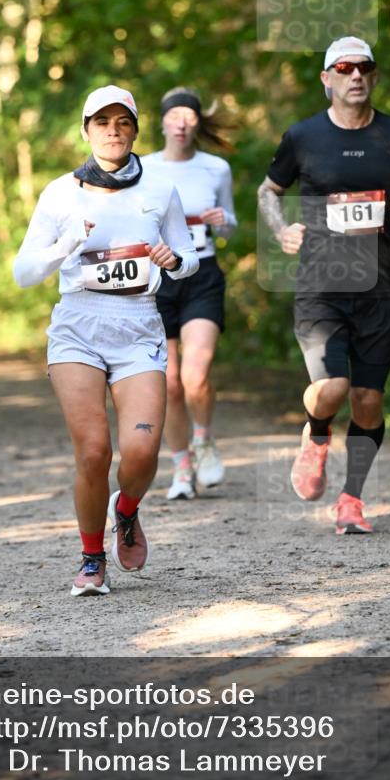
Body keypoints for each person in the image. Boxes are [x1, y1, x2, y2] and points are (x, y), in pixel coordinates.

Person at [13, 85, 198, 596]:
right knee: (94, 452)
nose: (112, 131)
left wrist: (175, 261)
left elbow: (189, 256)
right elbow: (24, 272)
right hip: (78, 324)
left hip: (138, 323)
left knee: (140, 452)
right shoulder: (60, 192)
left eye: (122, 122)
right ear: (85, 129)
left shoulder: (159, 190)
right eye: (102, 122)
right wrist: (65, 245)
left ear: (136, 130)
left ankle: (127, 508)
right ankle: (92, 558)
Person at [257, 36, 390, 534]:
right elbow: (269, 191)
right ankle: (316, 435)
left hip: (380, 288)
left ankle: (351, 499)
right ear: (327, 79)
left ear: (374, 76)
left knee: (369, 400)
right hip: (321, 284)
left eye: (364, 67)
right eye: (343, 68)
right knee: (331, 388)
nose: (355, 75)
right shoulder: (303, 137)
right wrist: (280, 229)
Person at [142, 87, 237, 500]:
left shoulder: (216, 168)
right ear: (162, 121)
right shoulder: (141, 168)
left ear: (197, 123)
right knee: (170, 384)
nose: (181, 122)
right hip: (158, 280)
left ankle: (204, 442)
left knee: (195, 376)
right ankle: (181, 469)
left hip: (203, 275)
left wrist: (224, 219)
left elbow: (231, 225)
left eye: (190, 116)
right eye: (174, 115)